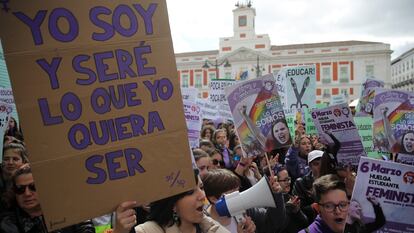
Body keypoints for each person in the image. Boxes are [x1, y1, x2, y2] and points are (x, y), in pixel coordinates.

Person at [113, 169, 229, 233]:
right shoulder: (147, 231)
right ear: (172, 204)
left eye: (202, 187)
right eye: (190, 192)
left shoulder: (210, 227)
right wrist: (120, 232)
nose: (202, 195)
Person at [0, 165, 95, 233]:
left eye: (34, 187)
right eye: (20, 189)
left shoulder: (67, 208)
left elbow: (85, 227)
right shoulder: (8, 223)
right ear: (14, 192)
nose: (27, 193)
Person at [202, 169, 286, 233]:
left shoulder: (245, 211)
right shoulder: (205, 225)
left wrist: (276, 195)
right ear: (213, 198)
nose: (238, 196)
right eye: (232, 192)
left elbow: (273, 223)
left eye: (237, 191)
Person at [274, 167, 308, 233]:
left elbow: (305, 223)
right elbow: (280, 228)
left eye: (289, 179)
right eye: (285, 180)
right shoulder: (274, 203)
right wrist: (288, 207)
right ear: (276, 182)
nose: (288, 182)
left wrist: (297, 211)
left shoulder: (291, 197)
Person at [293, 150, 323, 223]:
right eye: (316, 164)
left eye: (323, 164)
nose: (320, 167)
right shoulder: (301, 183)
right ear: (310, 166)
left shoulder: (332, 180)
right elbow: (299, 209)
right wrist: (312, 207)